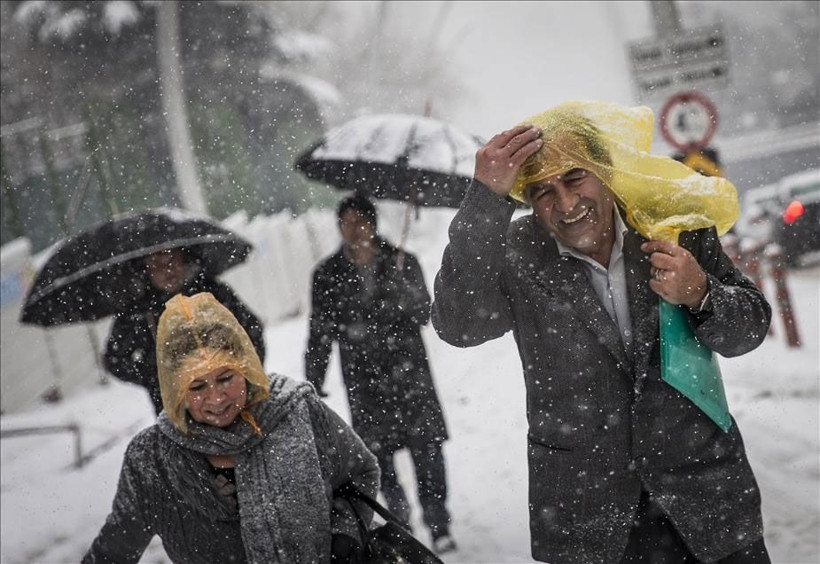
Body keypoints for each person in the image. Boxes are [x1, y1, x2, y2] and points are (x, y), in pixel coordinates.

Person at [431, 101, 772, 563]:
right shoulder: (515, 252)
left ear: (604, 172)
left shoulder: (671, 226)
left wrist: (701, 292)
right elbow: (458, 325)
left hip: (707, 505)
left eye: (574, 179)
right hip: (586, 521)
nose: (566, 204)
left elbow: (749, 330)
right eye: (543, 192)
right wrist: (484, 198)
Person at [84, 292, 379, 563]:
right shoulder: (152, 459)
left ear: (246, 367)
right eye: (196, 386)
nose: (215, 397)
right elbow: (114, 550)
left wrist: (344, 537)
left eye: (226, 378)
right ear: (175, 389)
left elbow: (360, 473)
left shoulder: (295, 411)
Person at [305, 194, 456, 554]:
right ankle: (400, 524)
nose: (354, 229)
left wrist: (403, 292)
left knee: (427, 452)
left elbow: (424, 315)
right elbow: (320, 331)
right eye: (346, 222)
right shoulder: (327, 275)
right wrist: (314, 378)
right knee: (376, 459)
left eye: (360, 221)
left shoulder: (404, 262)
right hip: (364, 379)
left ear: (373, 224)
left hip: (410, 376)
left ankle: (439, 525)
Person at [104, 247, 265, 414]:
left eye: (173, 260)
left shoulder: (212, 292)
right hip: (176, 413)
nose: (168, 269)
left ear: (184, 259)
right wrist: (157, 375)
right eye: (157, 264)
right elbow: (115, 360)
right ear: (146, 269)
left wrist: (243, 375)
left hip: (234, 402)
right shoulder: (138, 311)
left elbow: (252, 331)